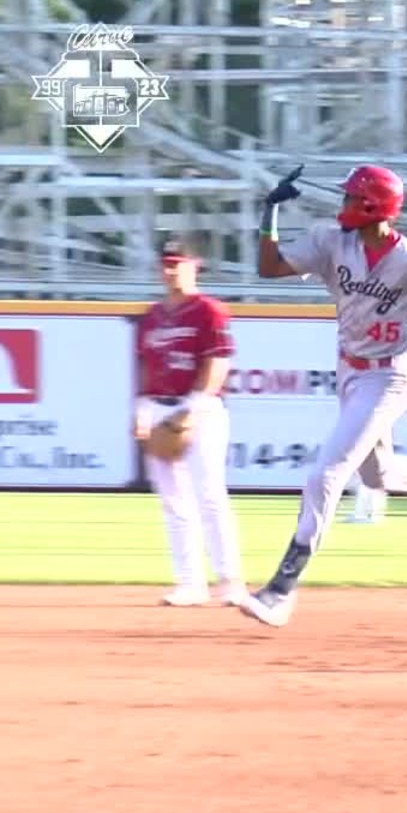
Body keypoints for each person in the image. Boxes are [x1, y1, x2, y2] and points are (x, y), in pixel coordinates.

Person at [238, 163, 407, 628]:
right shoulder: (333, 242)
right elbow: (268, 267)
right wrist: (270, 212)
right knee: (379, 476)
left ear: (375, 207)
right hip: (350, 371)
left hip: (391, 375)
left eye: (352, 199)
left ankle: (281, 589)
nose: (343, 206)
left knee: (325, 475)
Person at [133, 240, 248, 607]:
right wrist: (141, 408)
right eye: (166, 264)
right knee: (173, 501)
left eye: (177, 263)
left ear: (194, 265)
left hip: (201, 408)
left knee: (210, 496)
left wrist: (191, 412)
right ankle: (190, 583)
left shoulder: (209, 311)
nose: (170, 271)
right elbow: (145, 366)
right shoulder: (151, 316)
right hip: (158, 406)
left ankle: (231, 583)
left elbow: (217, 364)